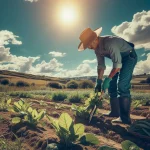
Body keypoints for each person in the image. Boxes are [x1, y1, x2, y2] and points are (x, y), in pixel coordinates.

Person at [78, 27, 137, 124]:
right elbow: (101, 66)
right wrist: (99, 81)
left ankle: (125, 118)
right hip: (118, 60)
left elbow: (117, 66)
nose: (89, 47)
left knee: (122, 85)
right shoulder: (97, 50)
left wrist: (108, 79)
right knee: (112, 85)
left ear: (95, 39)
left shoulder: (109, 43)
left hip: (129, 57)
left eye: (89, 44)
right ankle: (114, 112)